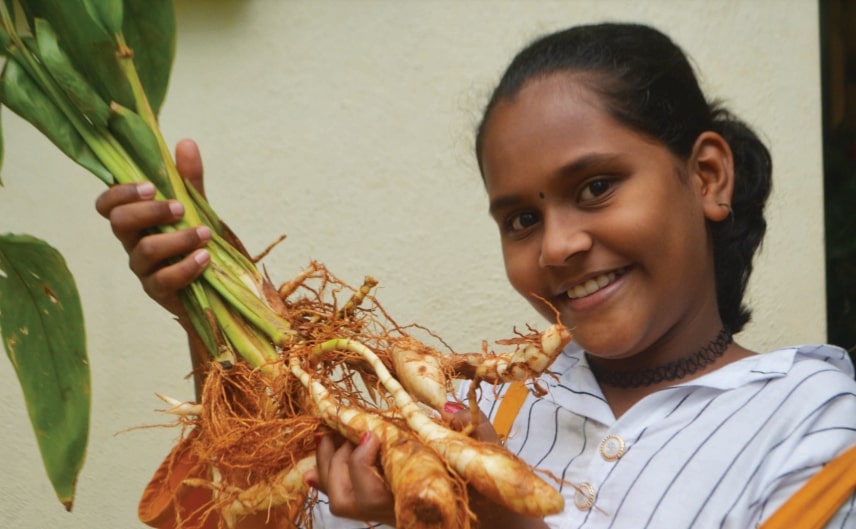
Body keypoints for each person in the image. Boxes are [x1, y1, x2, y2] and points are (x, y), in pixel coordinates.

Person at [96, 22, 856, 529]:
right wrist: (210, 309)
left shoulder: (819, 425)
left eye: (596, 186)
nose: (556, 245)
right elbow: (244, 508)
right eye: (521, 218)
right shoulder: (486, 406)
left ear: (708, 177)